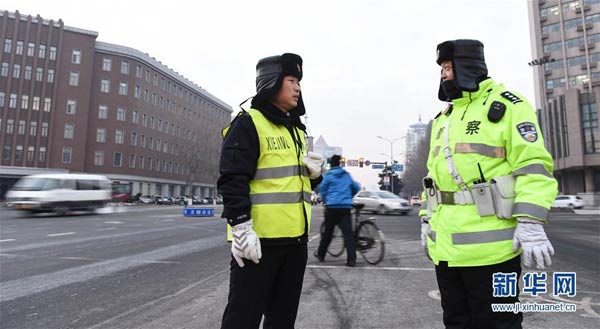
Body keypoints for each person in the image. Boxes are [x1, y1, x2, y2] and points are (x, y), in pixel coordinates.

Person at [420, 39, 558, 329]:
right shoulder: (444, 118)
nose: (444, 74)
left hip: (494, 252)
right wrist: (426, 220)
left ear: (468, 66)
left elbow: (534, 167)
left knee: (499, 325)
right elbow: (432, 178)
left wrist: (531, 222)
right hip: (445, 251)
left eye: (448, 67)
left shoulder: (509, 106)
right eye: (442, 68)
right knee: (456, 323)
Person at [218, 53, 325, 329]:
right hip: (258, 244)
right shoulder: (248, 123)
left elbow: (290, 184)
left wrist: (314, 177)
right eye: (291, 80)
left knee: (282, 321)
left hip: (295, 243)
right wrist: (240, 226)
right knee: (242, 320)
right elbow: (232, 178)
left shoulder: (297, 131)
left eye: (299, 81)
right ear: (272, 82)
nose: (297, 88)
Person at [314, 154, 361, 267]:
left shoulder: (329, 175)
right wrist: (348, 197)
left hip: (332, 207)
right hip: (345, 208)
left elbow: (322, 189)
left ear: (331, 164)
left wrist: (325, 200)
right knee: (348, 234)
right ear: (339, 163)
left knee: (328, 233)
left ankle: (321, 254)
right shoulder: (346, 175)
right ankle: (351, 259)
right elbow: (356, 187)